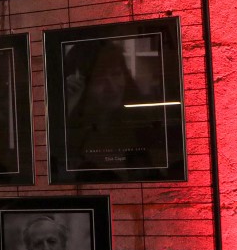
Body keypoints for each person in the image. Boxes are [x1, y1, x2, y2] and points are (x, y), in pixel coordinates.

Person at [61, 39, 167, 174]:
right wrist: (68, 107)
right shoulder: (72, 130)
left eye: (116, 74)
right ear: (79, 84)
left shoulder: (141, 124)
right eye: (99, 79)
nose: (111, 87)